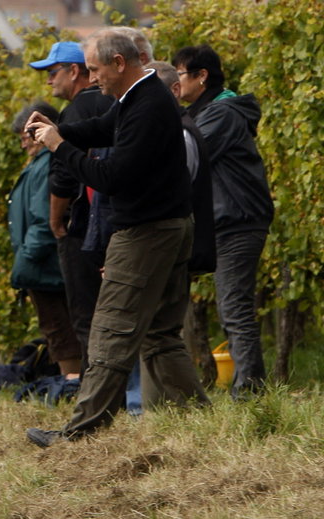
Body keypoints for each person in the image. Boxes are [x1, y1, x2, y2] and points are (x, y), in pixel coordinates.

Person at [24, 28, 209, 447]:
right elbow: (101, 129)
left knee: (110, 330)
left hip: (145, 233)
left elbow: (110, 176)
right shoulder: (141, 99)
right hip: (170, 227)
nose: (92, 78)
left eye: (94, 69)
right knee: (160, 333)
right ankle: (199, 419)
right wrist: (59, 129)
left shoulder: (146, 105)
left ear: (119, 63)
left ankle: (80, 434)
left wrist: (57, 146)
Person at [174, 44, 274, 397]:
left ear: (202, 77)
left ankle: (250, 391)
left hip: (237, 219)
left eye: (180, 74)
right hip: (229, 218)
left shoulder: (221, 114)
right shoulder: (210, 111)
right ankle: (247, 386)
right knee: (233, 306)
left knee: (235, 307)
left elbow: (190, 159)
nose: (176, 82)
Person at [30, 38, 111, 362]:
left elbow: (64, 173)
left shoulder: (75, 112)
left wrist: (55, 219)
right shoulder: (111, 104)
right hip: (114, 221)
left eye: (52, 72)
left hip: (80, 225)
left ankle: (98, 391)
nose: (49, 80)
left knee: (86, 313)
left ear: (74, 71)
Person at [8, 101, 84, 377]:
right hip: (45, 264)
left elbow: (43, 219)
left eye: (25, 137)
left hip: (45, 265)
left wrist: (26, 258)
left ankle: (72, 383)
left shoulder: (47, 163)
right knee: (60, 329)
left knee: (59, 329)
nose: (23, 144)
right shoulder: (42, 163)